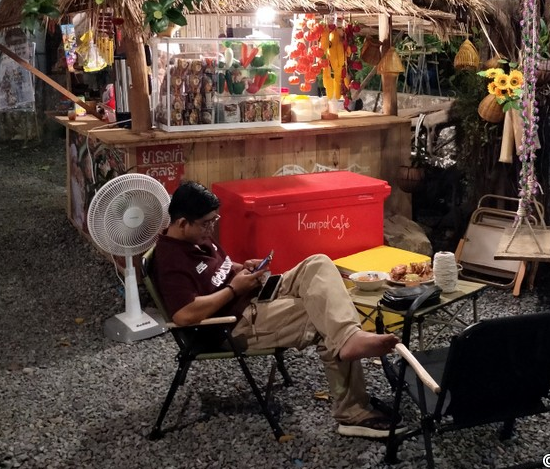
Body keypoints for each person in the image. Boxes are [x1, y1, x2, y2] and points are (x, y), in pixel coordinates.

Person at [149, 180, 399, 439]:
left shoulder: (196, 237)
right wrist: (234, 289)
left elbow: (214, 271)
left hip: (252, 295)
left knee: (319, 263)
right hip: (234, 323)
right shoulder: (170, 261)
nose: (211, 228)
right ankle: (352, 412)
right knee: (324, 317)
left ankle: (349, 337)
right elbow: (184, 314)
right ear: (182, 223)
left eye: (214, 220)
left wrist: (241, 268)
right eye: (206, 223)